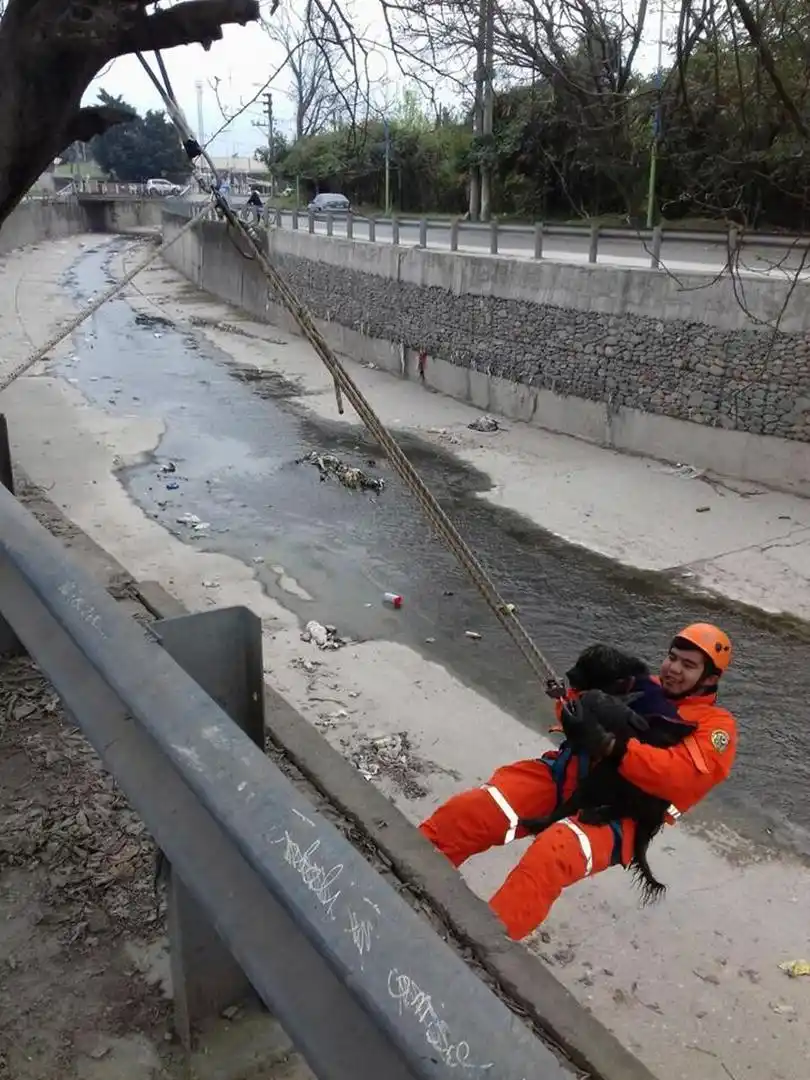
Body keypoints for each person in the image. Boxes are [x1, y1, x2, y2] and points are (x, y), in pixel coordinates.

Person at [419, 624, 737, 940]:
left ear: (710, 679)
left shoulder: (714, 728)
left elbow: (677, 778)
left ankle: (486, 943)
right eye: (672, 658)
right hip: (567, 775)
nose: (673, 669)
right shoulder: (640, 686)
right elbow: (580, 713)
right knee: (473, 811)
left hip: (620, 812)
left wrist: (613, 748)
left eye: (688, 665)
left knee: (549, 857)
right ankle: (412, 871)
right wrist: (568, 704)